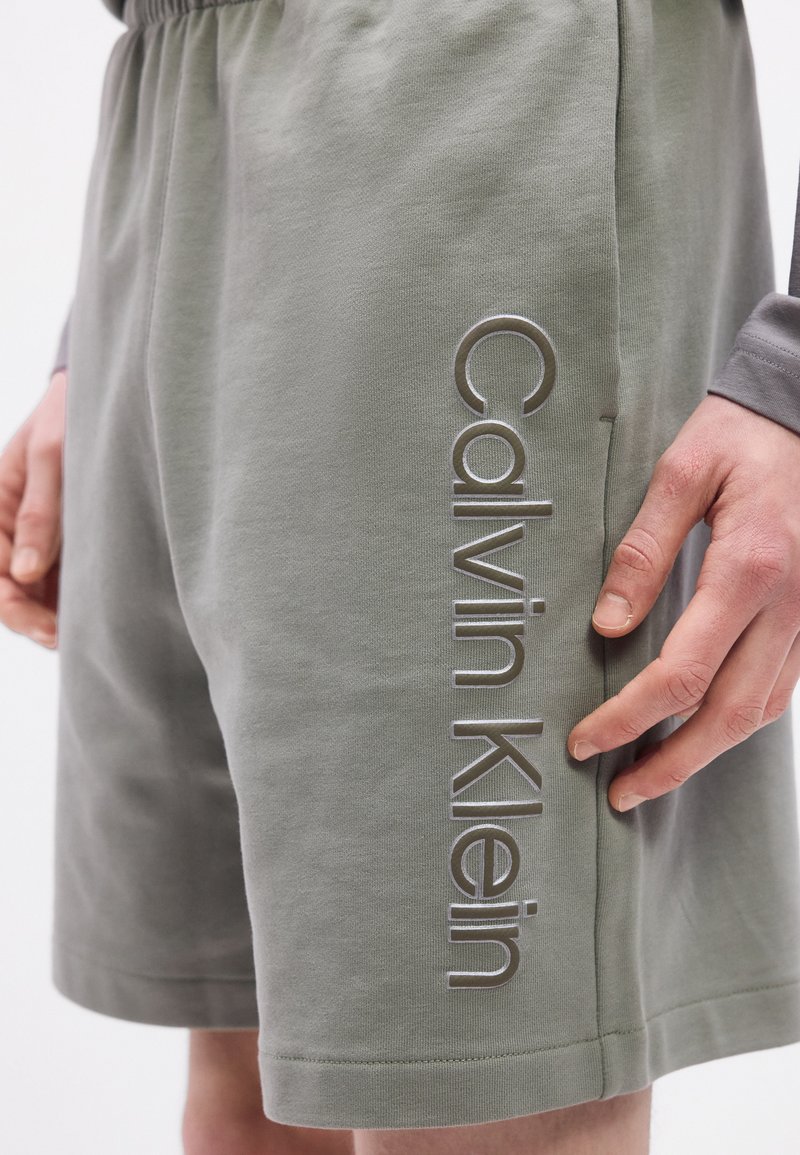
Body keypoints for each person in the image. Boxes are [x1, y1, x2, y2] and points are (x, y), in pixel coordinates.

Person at [3, 1, 800, 1152]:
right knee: (253, 1074)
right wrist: (104, 333)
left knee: (477, 1094)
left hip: (489, 119)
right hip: (175, 130)